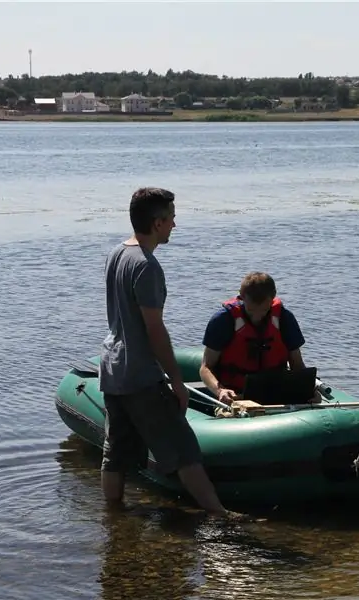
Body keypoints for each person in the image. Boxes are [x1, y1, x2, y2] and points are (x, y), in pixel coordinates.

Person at [98, 186, 237, 519]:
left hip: (113, 368)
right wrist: (176, 380)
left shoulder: (117, 253)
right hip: (141, 373)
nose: (175, 225)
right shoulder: (147, 266)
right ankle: (220, 514)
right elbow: (154, 329)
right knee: (183, 447)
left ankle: (113, 517)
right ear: (158, 222)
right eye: (172, 218)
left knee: (115, 451)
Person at [199, 271, 312, 404]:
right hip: (235, 396)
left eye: (264, 310)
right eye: (251, 311)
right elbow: (206, 368)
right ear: (241, 297)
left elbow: (297, 365)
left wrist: (308, 391)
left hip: (276, 394)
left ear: (273, 297)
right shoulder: (223, 320)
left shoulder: (284, 318)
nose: (257, 316)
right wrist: (221, 391)